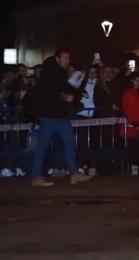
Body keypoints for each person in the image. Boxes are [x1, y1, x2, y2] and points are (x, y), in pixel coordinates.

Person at [28, 50, 92, 187]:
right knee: (44, 145)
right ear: (57, 59)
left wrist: (71, 96)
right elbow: (51, 92)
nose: (67, 61)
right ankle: (36, 177)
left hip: (57, 115)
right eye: (65, 58)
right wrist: (65, 97)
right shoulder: (52, 73)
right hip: (49, 115)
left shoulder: (57, 73)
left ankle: (74, 174)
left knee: (67, 140)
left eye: (68, 58)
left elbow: (60, 90)